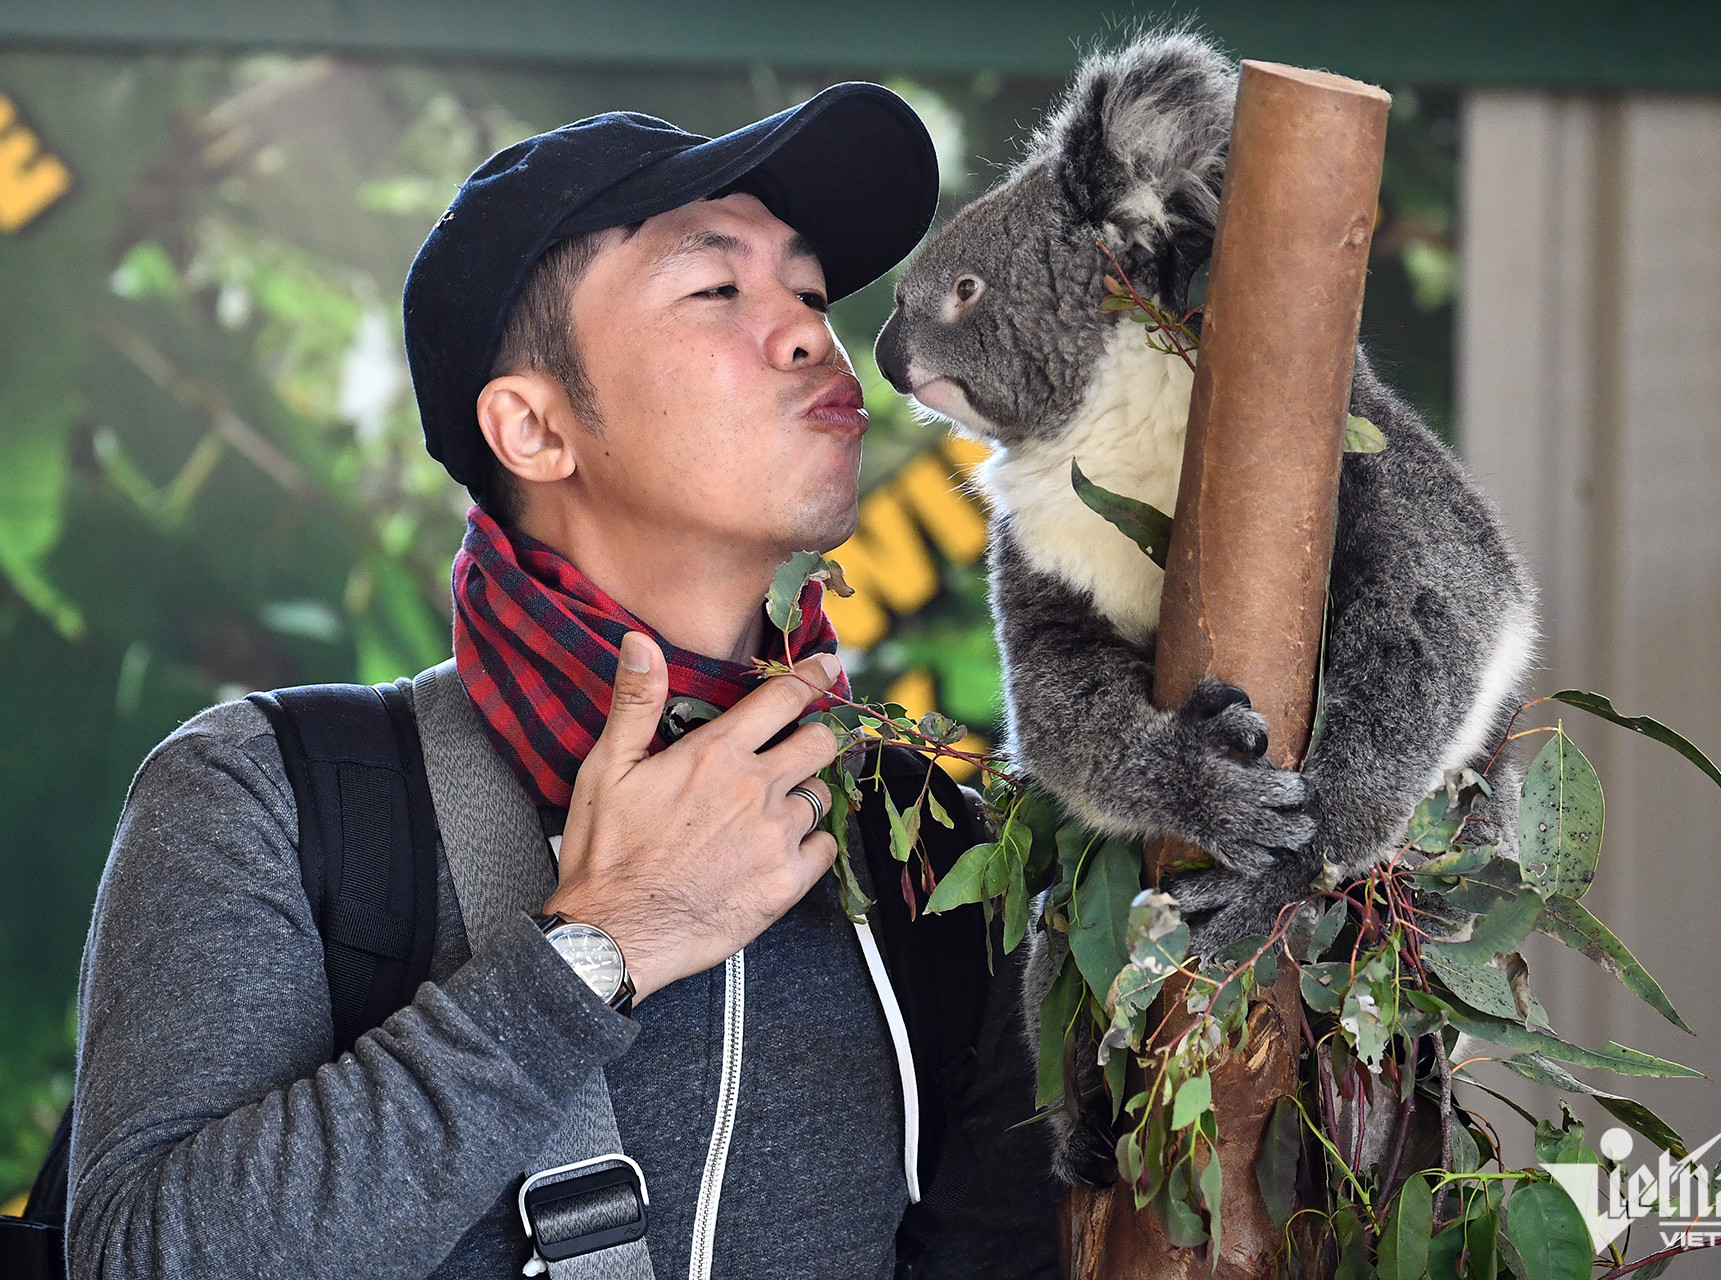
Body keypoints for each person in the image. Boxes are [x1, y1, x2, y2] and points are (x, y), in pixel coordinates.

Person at [65, 85, 1059, 1279]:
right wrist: (600, 941)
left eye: (807, 289)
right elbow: (140, 1258)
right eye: (716, 287)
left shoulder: (935, 848)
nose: (810, 333)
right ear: (534, 429)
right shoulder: (268, 795)